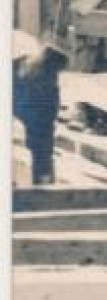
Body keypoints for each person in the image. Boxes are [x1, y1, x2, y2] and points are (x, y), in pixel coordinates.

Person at [13, 31, 69, 185]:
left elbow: (44, 131)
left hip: (32, 96)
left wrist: (44, 177)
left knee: (41, 143)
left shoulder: (48, 91)